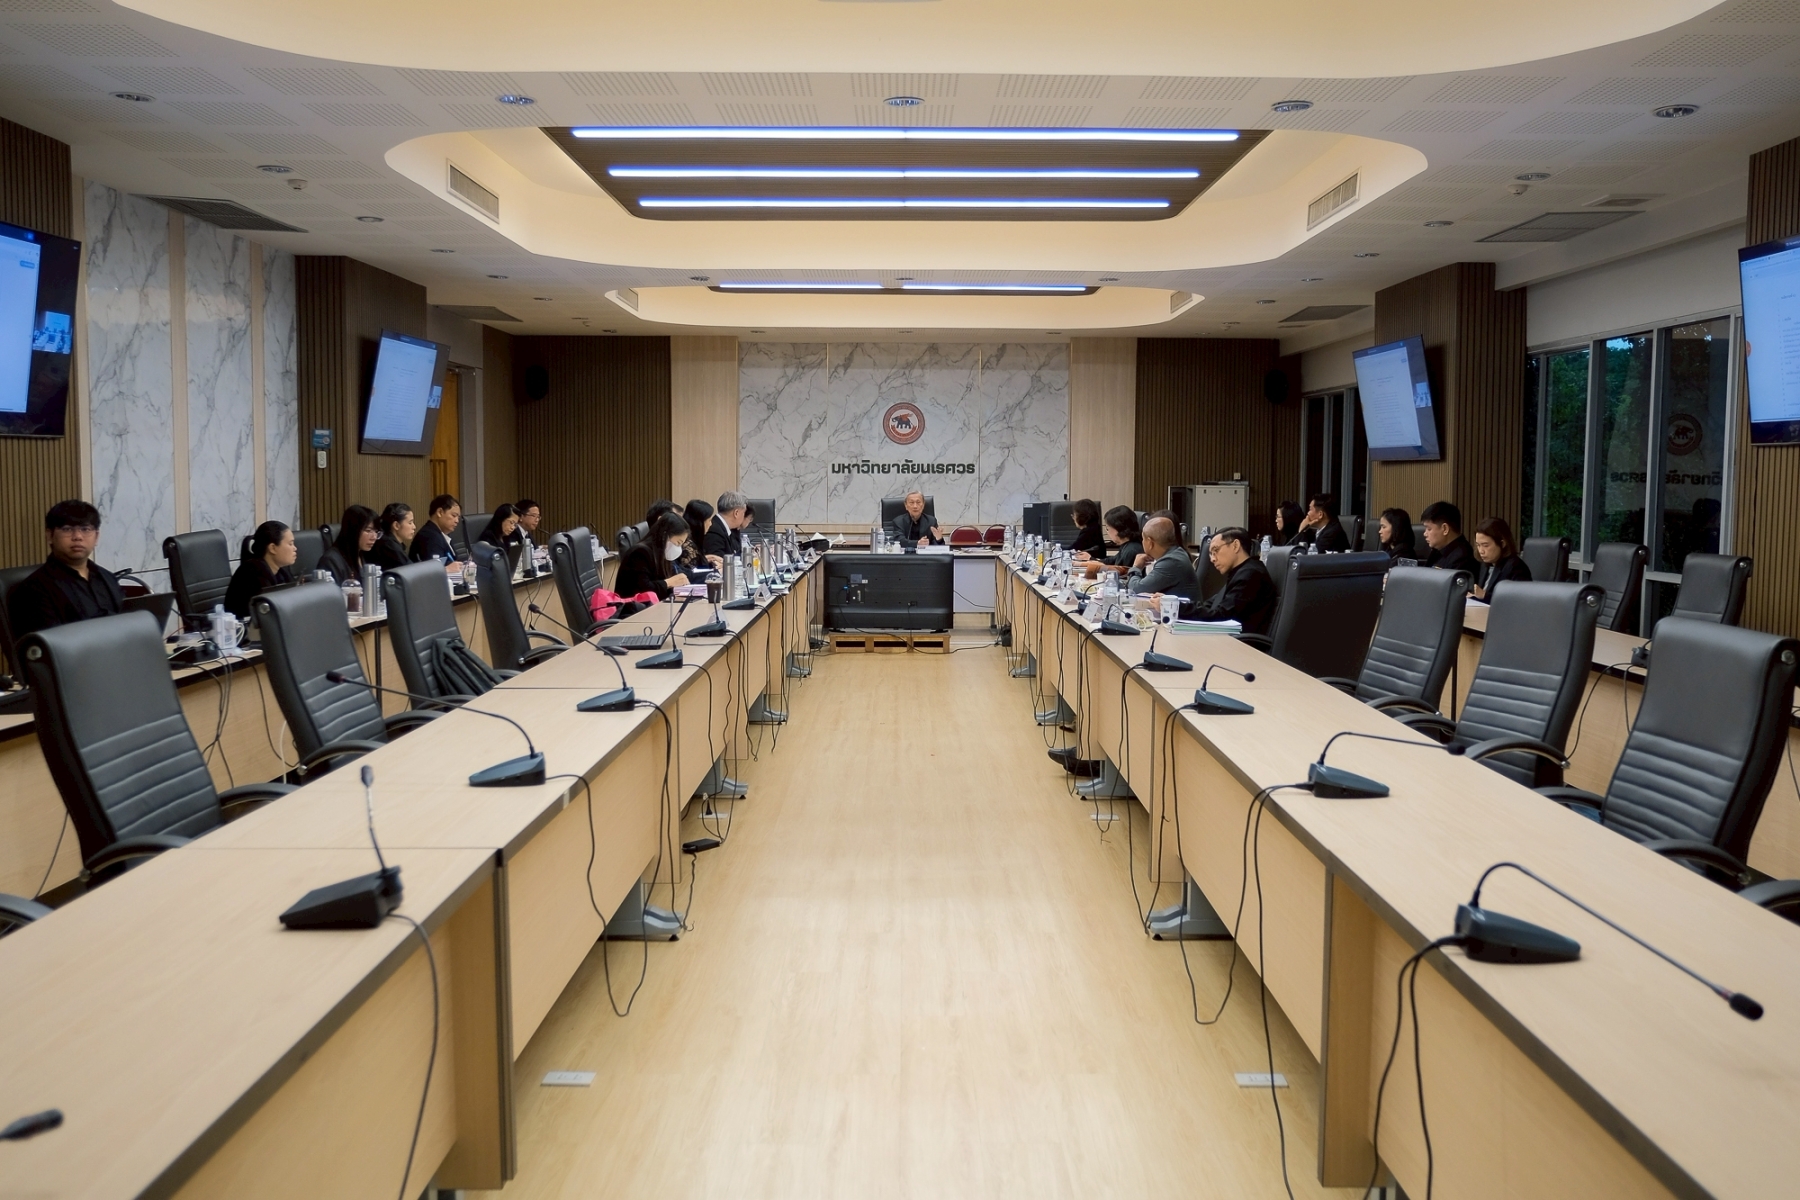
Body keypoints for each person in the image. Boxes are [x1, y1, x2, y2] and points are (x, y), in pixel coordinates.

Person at [7, 499, 126, 639]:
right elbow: (50, 644)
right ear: (50, 536)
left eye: (85, 529)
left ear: (96, 537)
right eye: (67, 529)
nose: (77, 537)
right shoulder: (34, 589)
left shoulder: (107, 578)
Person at [1165, 527, 1278, 634]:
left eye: (1216, 550)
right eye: (1211, 554)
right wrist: (1173, 604)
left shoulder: (1251, 575)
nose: (1212, 559)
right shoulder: (1241, 571)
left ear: (1235, 546)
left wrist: (1177, 608)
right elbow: (1210, 605)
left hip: (1241, 643)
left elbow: (1221, 615)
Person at [224, 520, 296, 619]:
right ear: (273, 548)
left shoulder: (282, 571)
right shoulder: (252, 572)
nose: (295, 548)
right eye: (290, 544)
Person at [613, 511, 691, 599]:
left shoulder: (663, 554)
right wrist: (669, 583)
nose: (678, 548)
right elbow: (643, 590)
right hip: (634, 605)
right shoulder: (639, 553)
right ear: (665, 535)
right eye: (678, 543)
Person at [1126, 516, 1198, 599]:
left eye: (1143, 539)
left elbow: (1136, 589)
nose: (1142, 542)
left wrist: (1136, 567)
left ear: (1150, 542)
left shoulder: (1170, 562)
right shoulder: (1177, 553)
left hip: (1180, 608)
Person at [1471, 516, 1531, 601]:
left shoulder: (1516, 567)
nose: (1481, 551)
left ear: (1502, 544)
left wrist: (1485, 595)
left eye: (1485, 545)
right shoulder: (1485, 564)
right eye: (1478, 545)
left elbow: (1518, 600)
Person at [319, 504, 378, 584]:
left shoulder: (361, 554)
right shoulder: (331, 560)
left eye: (376, 532)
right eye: (368, 531)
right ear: (353, 531)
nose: (374, 537)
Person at [1421, 500, 1475, 572]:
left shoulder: (1462, 558)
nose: (1425, 534)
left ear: (1445, 529)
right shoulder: (1437, 550)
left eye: (1429, 529)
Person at [409, 493, 461, 563]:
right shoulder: (429, 536)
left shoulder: (440, 534)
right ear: (439, 512)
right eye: (454, 515)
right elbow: (434, 567)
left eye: (458, 517)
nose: (457, 521)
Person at [705, 490, 750, 563]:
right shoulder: (714, 532)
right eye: (743, 513)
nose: (743, 516)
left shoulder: (727, 528)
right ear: (736, 513)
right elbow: (718, 563)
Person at [369, 502, 415, 570]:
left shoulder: (390, 542)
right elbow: (411, 570)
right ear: (396, 525)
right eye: (410, 523)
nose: (414, 527)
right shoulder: (388, 545)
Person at [505, 498, 542, 569]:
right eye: (533, 516)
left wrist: (541, 548)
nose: (537, 520)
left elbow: (533, 550)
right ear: (521, 517)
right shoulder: (512, 533)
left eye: (538, 517)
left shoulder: (526, 533)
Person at [683, 499, 716, 567]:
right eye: (709, 520)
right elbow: (692, 571)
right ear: (699, 523)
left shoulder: (693, 539)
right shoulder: (688, 546)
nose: (711, 524)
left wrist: (705, 559)